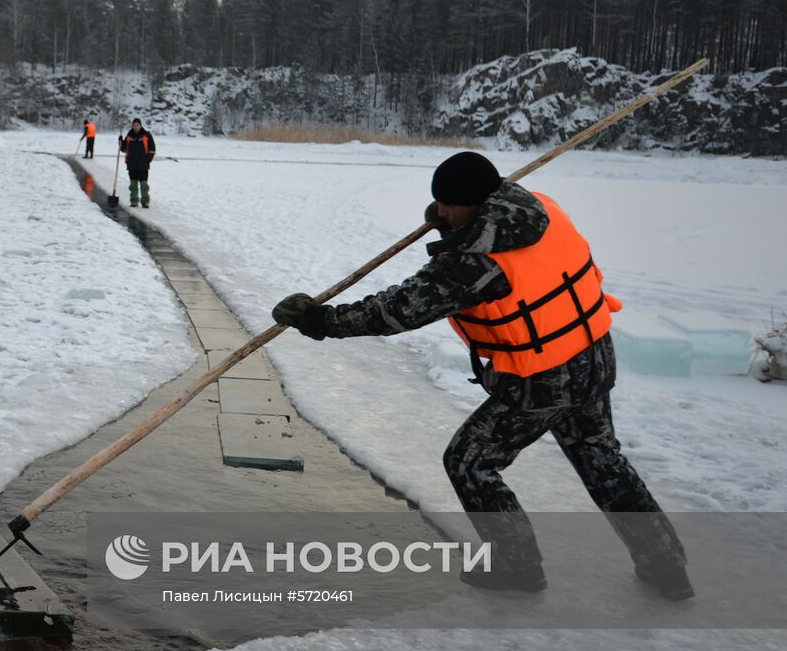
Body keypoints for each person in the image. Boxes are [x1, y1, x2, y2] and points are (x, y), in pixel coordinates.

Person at [271, 151, 692, 599]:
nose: (443, 212)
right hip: (592, 354)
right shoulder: (540, 206)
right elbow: (484, 223)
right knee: (604, 462)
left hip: (542, 380)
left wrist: (319, 321)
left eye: (449, 204)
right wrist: (452, 219)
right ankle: (667, 566)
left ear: (475, 201)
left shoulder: (476, 263)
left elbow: (398, 311)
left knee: (470, 462)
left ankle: (517, 567)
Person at [119, 118, 155, 208]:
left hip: (143, 164)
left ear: (140, 125)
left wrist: (148, 159)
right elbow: (123, 149)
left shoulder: (147, 135)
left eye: (137, 125)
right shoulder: (129, 136)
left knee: (144, 185)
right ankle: (134, 201)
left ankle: (145, 201)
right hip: (131, 164)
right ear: (132, 126)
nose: (135, 127)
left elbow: (152, 149)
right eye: (134, 125)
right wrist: (120, 141)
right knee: (133, 184)